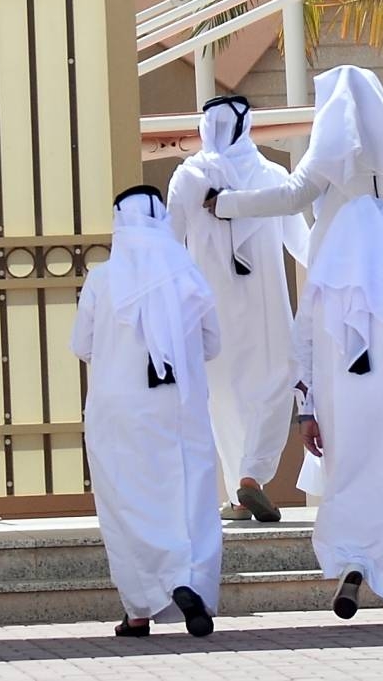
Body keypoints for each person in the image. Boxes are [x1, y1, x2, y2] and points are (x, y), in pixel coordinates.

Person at [204, 65, 383, 625]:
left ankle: (352, 560)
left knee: (348, 473)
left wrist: (227, 205)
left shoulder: (332, 162)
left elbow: (293, 196)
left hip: (340, 364)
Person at [71, 185, 222, 638]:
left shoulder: (102, 279)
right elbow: (213, 344)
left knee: (127, 502)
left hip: (119, 411)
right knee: (188, 499)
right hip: (180, 407)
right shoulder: (188, 274)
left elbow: (82, 345)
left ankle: (139, 609)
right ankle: (188, 585)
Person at [167, 94, 308, 523]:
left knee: (224, 398)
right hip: (266, 305)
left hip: (211, 307)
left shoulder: (188, 177)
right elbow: (301, 244)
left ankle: (239, 491)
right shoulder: (273, 176)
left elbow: (168, 246)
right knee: (276, 384)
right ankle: (251, 477)